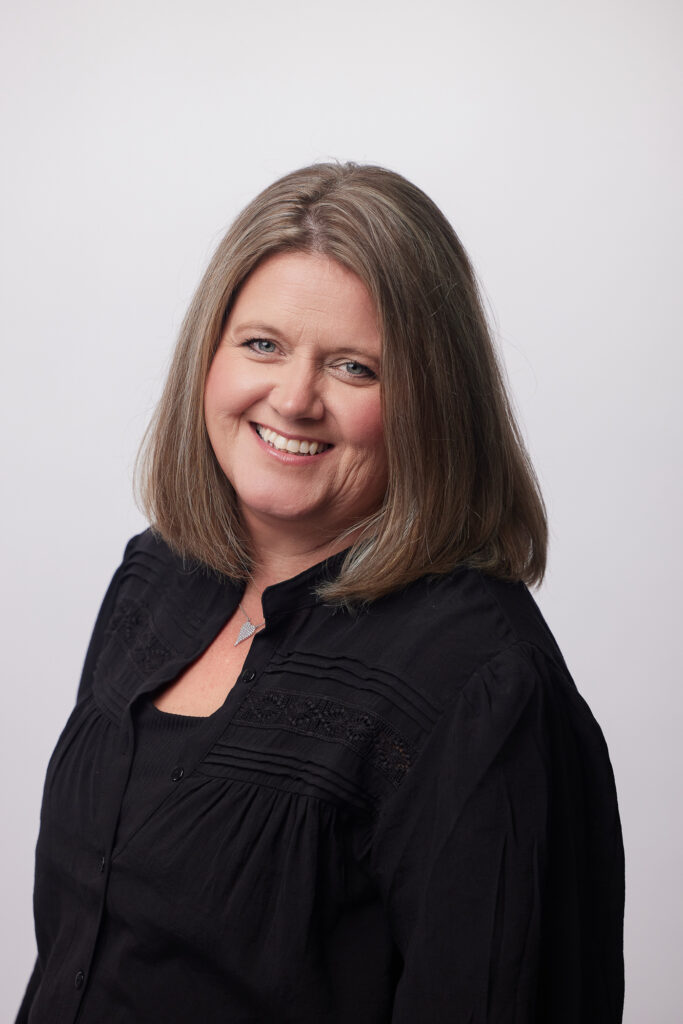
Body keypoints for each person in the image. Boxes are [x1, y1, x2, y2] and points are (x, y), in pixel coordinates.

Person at [17, 162, 624, 1023]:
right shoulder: (152, 579)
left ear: (433, 401)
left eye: (354, 368)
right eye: (261, 345)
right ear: (209, 356)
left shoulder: (480, 682)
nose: (294, 399)